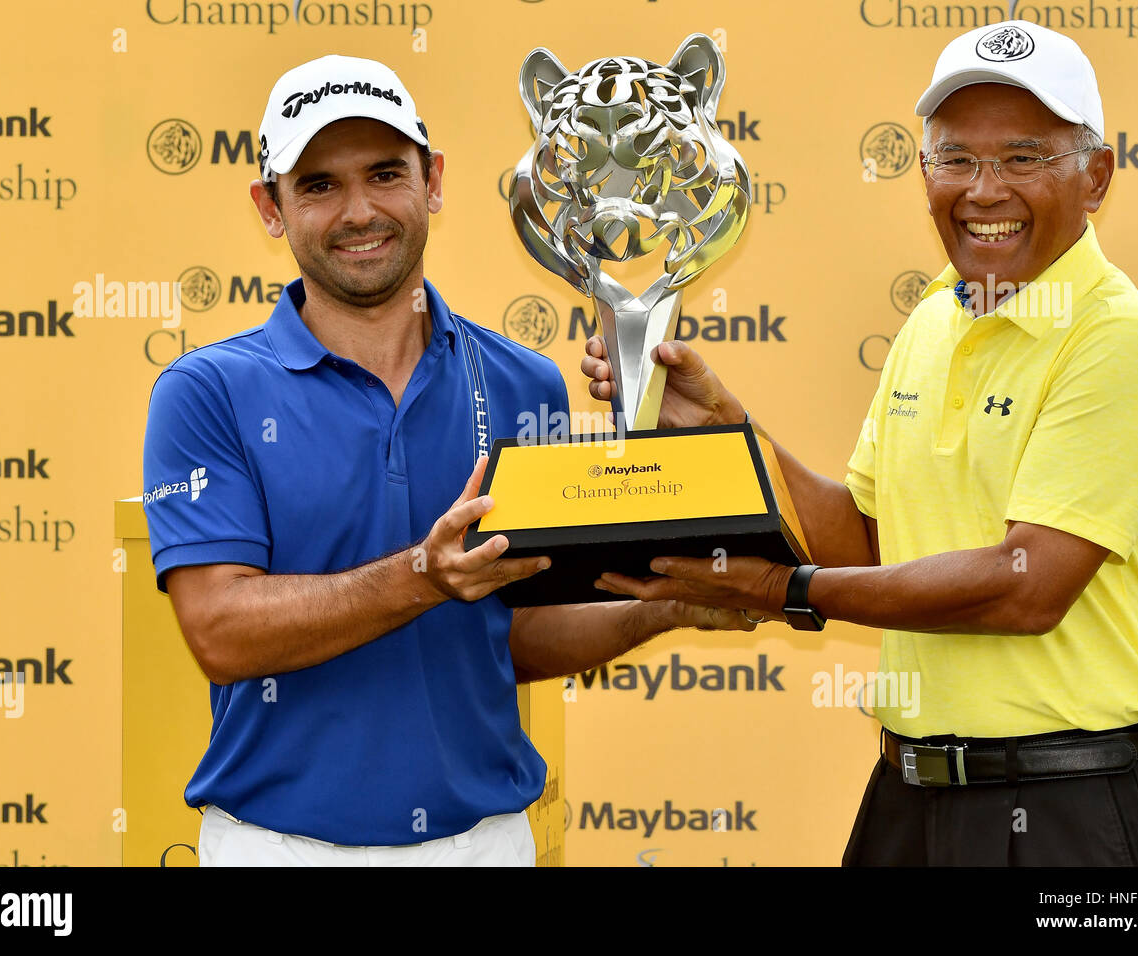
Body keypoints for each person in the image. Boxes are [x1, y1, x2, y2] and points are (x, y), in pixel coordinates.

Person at [583, 22, 1138, 866]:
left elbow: (1024, 591)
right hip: (908, 803)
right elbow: (871, 540)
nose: (984, 190)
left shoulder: (1125, 340)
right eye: (956, 159)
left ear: (1095, 177)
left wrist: (781, 590)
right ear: (924, 174)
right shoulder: (931, 321)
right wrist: (725, 429)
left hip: (1070, 811)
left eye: (1023, 158)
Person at [141, 54, 749, 867]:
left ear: (433, 181)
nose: (359, 211)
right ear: (271, 208)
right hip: (275, 849)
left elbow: (518, 632)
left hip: (484, 845)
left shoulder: (521, 381)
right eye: (318, 185)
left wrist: (665, 607)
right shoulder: (205, 391)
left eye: (385, 173)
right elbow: (220, 632)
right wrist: (423, 573)